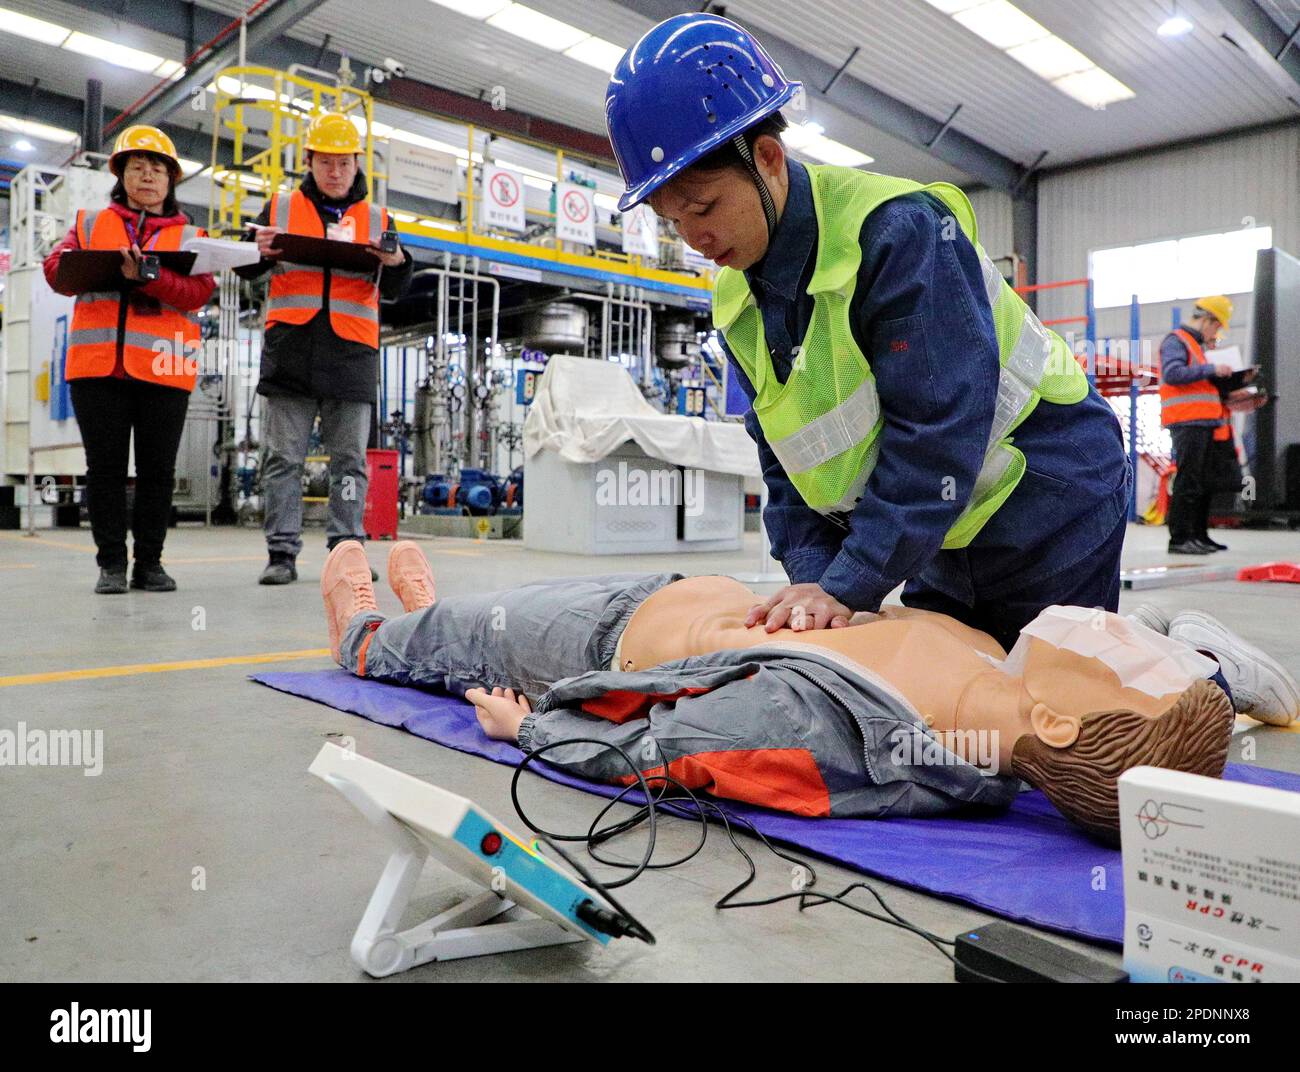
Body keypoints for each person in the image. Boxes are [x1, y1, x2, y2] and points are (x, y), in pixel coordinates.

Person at [602, 13, 1131, 654]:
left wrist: (851, 582)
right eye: (671, 219)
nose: (694, 237)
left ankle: (1206, 670)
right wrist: (815, 589)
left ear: (767, 158)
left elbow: (938, 428)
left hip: (1046, 493)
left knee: (1070, 708)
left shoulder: (895, 233)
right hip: (940, 526)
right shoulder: (736, 296)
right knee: (941, 706)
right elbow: (786, 459)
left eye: (704, 206)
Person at [316, 541, 1300, 841]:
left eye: (1125, 652)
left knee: (442, 640)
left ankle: (371, 632)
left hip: (602, 638)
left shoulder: (843, 735)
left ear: (1053, 716)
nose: (1118, 623)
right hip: (678, 595)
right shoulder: (1001, 681)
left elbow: (672, 747)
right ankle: (431, 618)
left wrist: (531, 730)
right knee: (466, 619)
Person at [237, 111, 413, 585]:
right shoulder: (279, 207)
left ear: (358, 165)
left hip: (351, 356)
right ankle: (281, 553)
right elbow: (243, 264)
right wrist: (258, 251)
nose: (335, 172)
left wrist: (396, 259)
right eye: (325, 162)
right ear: (309, 161)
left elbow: (397, 284)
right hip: (291, 349)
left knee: (350, 462)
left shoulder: (378, 218)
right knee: (282, 460)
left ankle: (347, 548)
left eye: (344, 163)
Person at [44, 125, 216, 594]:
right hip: (98, 368)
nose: (148, 176)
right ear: (121, 175)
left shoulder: (190, 235)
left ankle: (151, 565)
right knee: (105, 470)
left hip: (165, 366)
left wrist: (147, 277)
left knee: (158, 472)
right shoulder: (88, 224)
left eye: (157, 168)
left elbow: (199, 293)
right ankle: (111, 566)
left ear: (171, 180)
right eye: (137, 167)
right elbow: (57, 272)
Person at [1159, 295, 1254, 554]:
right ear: (1208, 320)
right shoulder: (1176, 340)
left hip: (1204, 421)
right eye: (1217, 326)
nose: (1216, 332)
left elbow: (1200, 384)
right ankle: (1179, 539)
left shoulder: (1197, 346)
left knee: (1202, 482)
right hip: (1187, 421)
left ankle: (1198, 536)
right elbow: (1172, 373)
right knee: (1188, 481)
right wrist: (1211, 369)